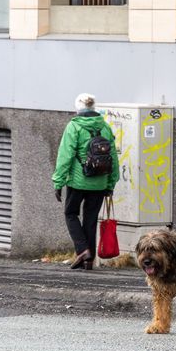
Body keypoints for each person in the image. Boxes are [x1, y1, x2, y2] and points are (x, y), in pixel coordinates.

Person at [52, 93, 119, 270]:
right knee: (90, 219)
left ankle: (82, 250)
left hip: (77, 182)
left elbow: (65, 156)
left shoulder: (74, 126)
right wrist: (110, 184)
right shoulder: (105, 127)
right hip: (100, 183)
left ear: (77, 109)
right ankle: (89, 260)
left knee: (70, 213)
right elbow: (113, 157)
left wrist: (58, 182)